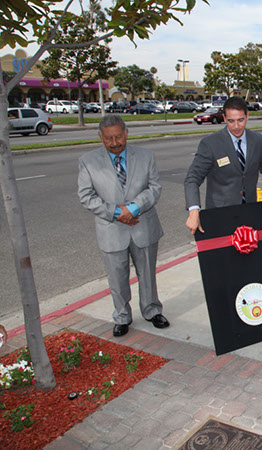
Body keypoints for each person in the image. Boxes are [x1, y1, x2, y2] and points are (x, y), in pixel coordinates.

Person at [78, 114, 169, 337]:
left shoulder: (146, 156)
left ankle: (152, 310)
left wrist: (134, 208)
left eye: (119, 137)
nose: (115, 143)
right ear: (101, 137)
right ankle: (122, 316)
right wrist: (118, 213)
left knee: (147, 273)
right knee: (117, 277)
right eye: (109, 139)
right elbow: (86, 196)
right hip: (111, 229)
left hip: (143, 225)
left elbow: (154, 188)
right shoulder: (88, 161)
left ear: (126, 133)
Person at [184, 96, 262, 234]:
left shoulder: (257, 140)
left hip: (249, 212)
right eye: (231, 121)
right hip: (221, 215)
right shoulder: (210, 144)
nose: (236, 126)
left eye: (240, 120)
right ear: (224, 118)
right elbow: (192, 178)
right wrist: (194, 211)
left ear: (247, 116)